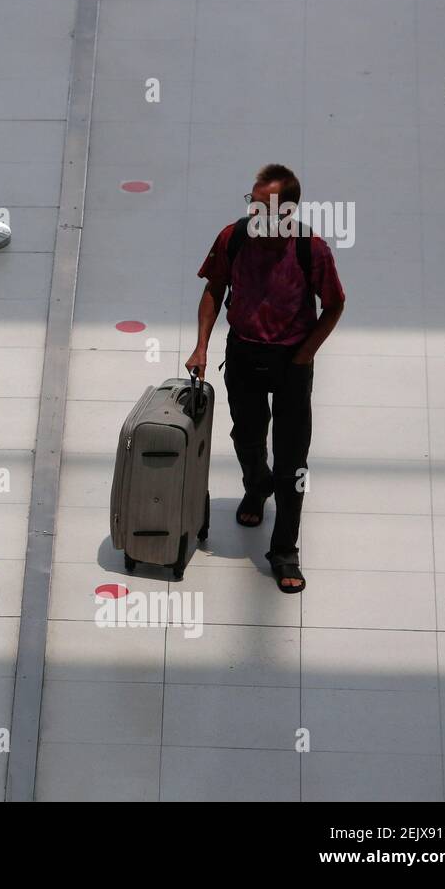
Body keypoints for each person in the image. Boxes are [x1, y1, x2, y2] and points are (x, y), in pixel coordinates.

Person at [184, 164, 346, 593]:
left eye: (264, 206)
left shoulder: (312, 249)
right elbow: (213, 289)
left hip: (292, 361)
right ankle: (256, 485)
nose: (254, 212)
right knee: (247, 436)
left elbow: (334, 305)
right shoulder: (233, 238)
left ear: (288, 209)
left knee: (293, 460)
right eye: (251, 202)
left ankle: (284, 550)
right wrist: (201, 346)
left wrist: (304, 356)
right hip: (244, 353)